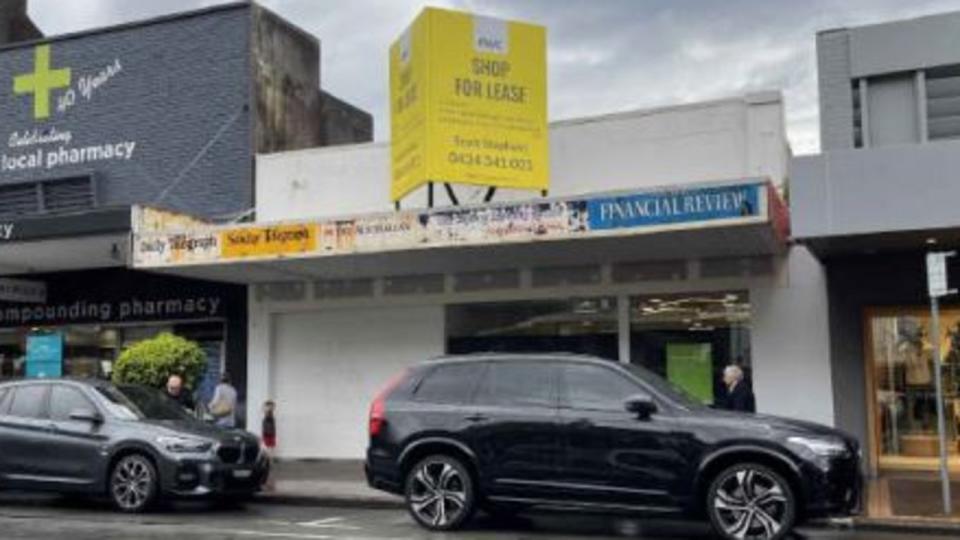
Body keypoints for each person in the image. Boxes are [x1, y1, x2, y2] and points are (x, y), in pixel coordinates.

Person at [262, 400, 277, 492]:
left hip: (269, 434)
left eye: (266, 406)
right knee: (269, 449)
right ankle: (270, 462)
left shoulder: (269, 414)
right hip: (269, 434)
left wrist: (267, 433)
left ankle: (269, 462)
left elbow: (268, 426)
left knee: (268, 449)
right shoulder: (269, 414)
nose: (264, 408)